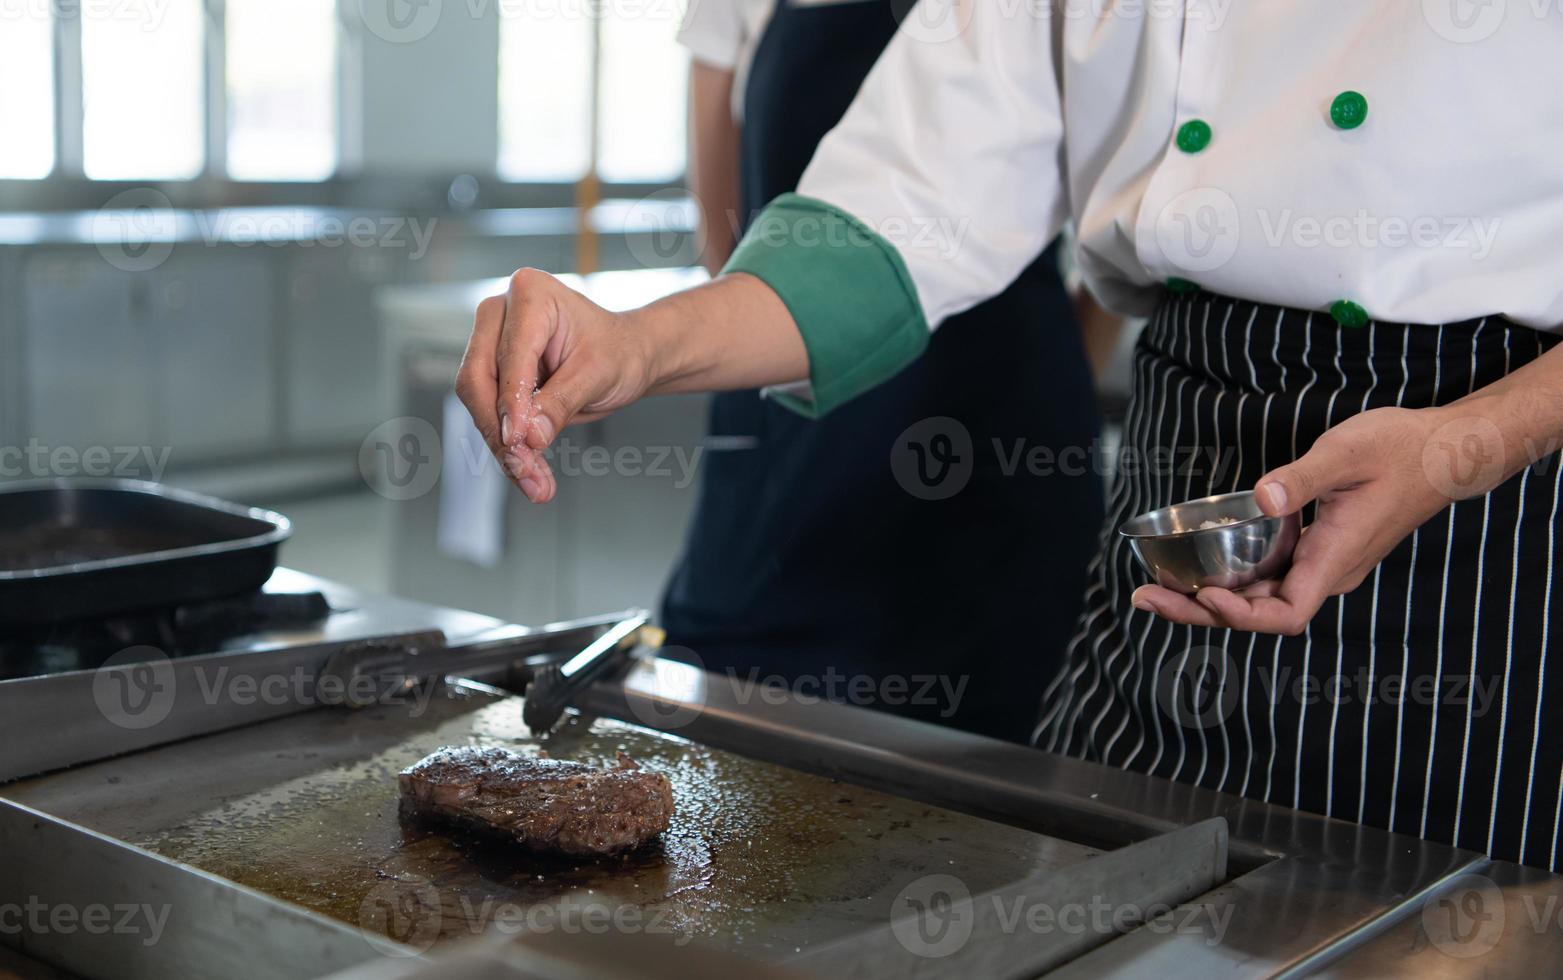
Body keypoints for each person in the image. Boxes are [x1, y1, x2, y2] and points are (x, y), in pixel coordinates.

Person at [460, 4, 1563, 869]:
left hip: (1491, 510)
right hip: (1186, 495)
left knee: (1443, 915)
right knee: (1113, 904)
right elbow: (894, 218)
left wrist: (1469, 441)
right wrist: (638, 343)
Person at [658, 0, 1113, 743]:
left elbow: (1116, 208)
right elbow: (727, 248)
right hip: (794, 457)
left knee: (997, 781)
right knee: (743, 745)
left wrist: (1058, 387)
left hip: (995, 461)